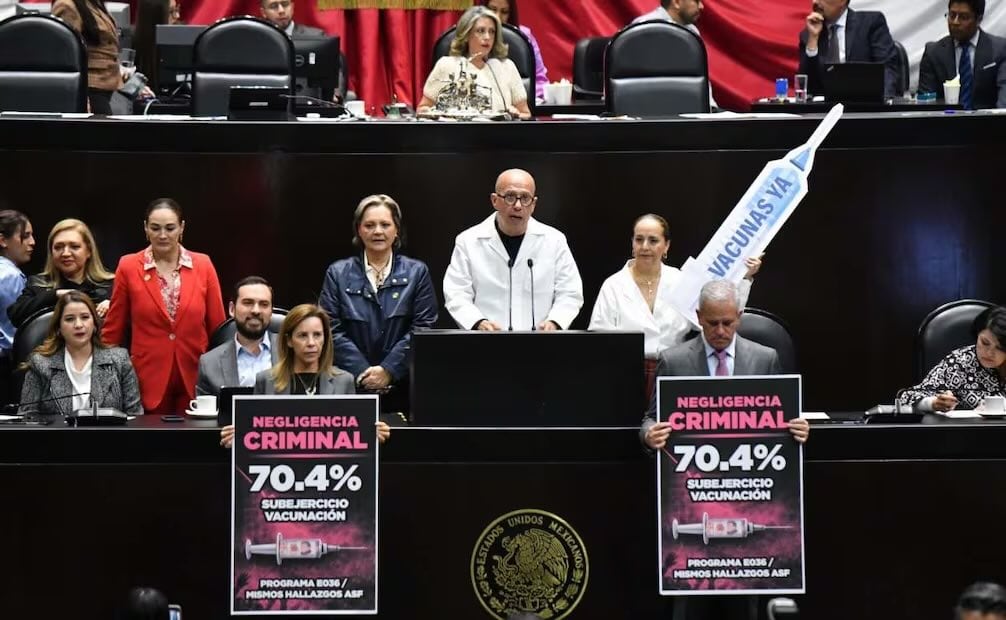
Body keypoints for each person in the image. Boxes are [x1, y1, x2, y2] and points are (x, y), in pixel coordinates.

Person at [589, 214, 761, 400]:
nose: (645, 246)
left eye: (653, 240)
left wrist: (745, 278)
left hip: (676, 370)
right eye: (639, 239)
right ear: (632, 243)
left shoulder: (680, 281)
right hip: (625, 374)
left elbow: (719, 314)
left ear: (666, 246)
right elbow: (600, 338)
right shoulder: (613, 284)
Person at [641, 280, 809, 448]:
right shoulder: (673, 362)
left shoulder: (765, 360)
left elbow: (782, 418)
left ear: (739, 316)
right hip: (694, 467)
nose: (720, 331)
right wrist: (649, 435)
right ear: (699, 317)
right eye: (713, 323)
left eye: (727, 323)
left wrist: (797, 428)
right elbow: (651, 419)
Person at [102, 198, 225, 415]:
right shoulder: (128, 266)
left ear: (182, 228)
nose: (162, 235)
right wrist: (105, 378)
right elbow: (113, 331)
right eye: (155, 228)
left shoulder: (203, 264)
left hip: (196, 375)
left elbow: (218, 329)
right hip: (147, 376)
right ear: (145, 229)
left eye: (170, 228)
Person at [319, 195, 438, 415]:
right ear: (359, 230)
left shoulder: (417, 272)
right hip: (349, 386)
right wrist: (363, 372)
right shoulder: (337, 273)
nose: (377, 231)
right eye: (369, 225)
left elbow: (424, 327)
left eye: (385, 225)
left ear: (396, 230)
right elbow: (329, 328)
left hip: (404, 388)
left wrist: (389, 370)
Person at [219, 304, 390, 448]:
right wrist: (239, 436)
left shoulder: (343, 380)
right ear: (289, 340)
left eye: (317, 335)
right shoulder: (266, 380)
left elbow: (352, 436)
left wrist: (371, 433)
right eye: (302, 336)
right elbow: (256, 435)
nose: (311, 343)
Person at [443, 168, 583, 331]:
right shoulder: (468, 241)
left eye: (525, 198)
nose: (517, 205)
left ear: (534, 204)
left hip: (541, 344)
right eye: (510, 197)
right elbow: (456, 293)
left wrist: (555, 322)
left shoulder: (554, 240)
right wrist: (477, 322)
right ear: (494, 200)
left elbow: (570, 292)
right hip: (486, 343)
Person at [18, 291, 141, 416]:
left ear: (94, 324)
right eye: (70, 319)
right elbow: (27, 418)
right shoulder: (40, 364)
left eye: (85, 317)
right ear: (59, 328)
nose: (78, 325)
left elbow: (136, 417)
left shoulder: (119, 360)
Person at [418, 6, 532, 119]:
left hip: (498, 135)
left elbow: (526, 114)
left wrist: (515, 114)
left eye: (492, 32)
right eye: (480, 31)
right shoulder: (446, 65)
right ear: (467, 34)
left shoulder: (507, 67)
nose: (487, 37)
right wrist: (439, 115)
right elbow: (422, 108)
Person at [8, 219, 114, 329]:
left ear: (89, 251)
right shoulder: (39, 283)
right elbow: (15, 315)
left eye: (74, 246)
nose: (66, 253)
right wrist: (55, 295)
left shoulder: (109, 284)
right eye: (58, 247)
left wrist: (115, 306)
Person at [898, 306, 1006, 412]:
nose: (989, 353)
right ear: (977, 335)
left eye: (1000, 348)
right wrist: (933, 403)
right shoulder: (961, 362)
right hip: (969, 429)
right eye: (985, 343)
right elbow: (906, 398)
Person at [196, 276, 277, 397]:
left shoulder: (292, 351)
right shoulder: (209, 363)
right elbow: (205, 414)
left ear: (271, 312)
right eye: (248, 303)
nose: (256, 310)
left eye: (264, 304)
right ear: (232, 309)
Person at [798, 0, 899, 98]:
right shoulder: (809, 34)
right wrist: (813, 39)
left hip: (865, 106)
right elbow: (804, 84)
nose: (815, 2)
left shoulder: (870, 23)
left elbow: (887, 69)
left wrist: (884, 103)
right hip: (825, 110)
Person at [918, 0, 1006, 109]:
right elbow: (925, 105)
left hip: (987, 123)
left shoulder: (1000, 50)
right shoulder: (933, 53)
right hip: (944, 123)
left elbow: (1004, 101)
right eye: (952, 15)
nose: (955, 22)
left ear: (979, 19)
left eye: (963, 17)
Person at [630, 1, 718, 109]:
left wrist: (711, 109)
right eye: (696, 1)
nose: (701, 6)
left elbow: (698, 78)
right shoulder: (645, 29)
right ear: (676, 2)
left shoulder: (692, 32)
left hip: (686, 113)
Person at [51, 0, 124, 114]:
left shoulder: (93, 3)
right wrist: (80, 97)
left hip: (105, 85)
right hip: (89, 88)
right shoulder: (67, 5)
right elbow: (65, 54)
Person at [482, 0, 548, 103]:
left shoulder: (524, 37)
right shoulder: (471, 37)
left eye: (504, 12)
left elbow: (540, 82)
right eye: (492, 10)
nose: (497, 17)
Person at [0, 208, 34, 405]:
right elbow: (15, 331)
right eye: (26, 235)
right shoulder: (10, 276)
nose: (32, 242)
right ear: (3, 240)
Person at [133, 0, 183, 92]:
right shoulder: (131, 45)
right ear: (155, 16)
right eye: (171, 12)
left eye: (177, 10)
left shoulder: (182, 41)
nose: (177, 16)